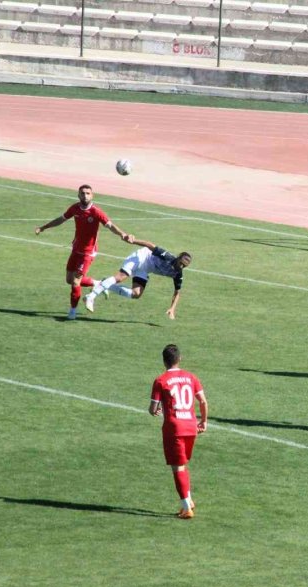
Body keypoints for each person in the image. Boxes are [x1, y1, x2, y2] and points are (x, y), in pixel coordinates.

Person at [34, 184, 132, 319]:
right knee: (69, 280)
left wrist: (123, 234)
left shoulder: (96, 212)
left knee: (76, 282)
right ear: (78, 195)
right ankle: (99, 284)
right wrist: (43, 227)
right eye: (83, 193)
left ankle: (72, 312)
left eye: (88, 193)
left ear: (92, 195)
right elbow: (60, 219)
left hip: (88, 253)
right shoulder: (75, 208)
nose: (85, 195)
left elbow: (110, 226)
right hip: (76, 250)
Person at [149, 344, 208, 519]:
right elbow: (203, 401)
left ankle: (185, 508)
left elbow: (153, 409)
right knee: (183, 464)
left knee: (178, 467)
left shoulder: (161, 380)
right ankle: (188, 500)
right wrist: (203, 421)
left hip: (174, 429)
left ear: (164, 361)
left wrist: (156, 411)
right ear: (179, 359)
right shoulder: (191, 377)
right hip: (191, 427)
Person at [84, 237, 191, 319]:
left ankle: (104, 283)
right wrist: (133, 240)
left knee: (136, 294)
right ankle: (91, 296)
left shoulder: (177, 274)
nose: (181, 267)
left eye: (184, 266)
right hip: (141, 256)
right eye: (181, 263)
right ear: (178, 258)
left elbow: (177, 292)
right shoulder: (168, 257)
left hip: (145, 269)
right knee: (120, 277)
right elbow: (150, 245)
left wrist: (172, 308)